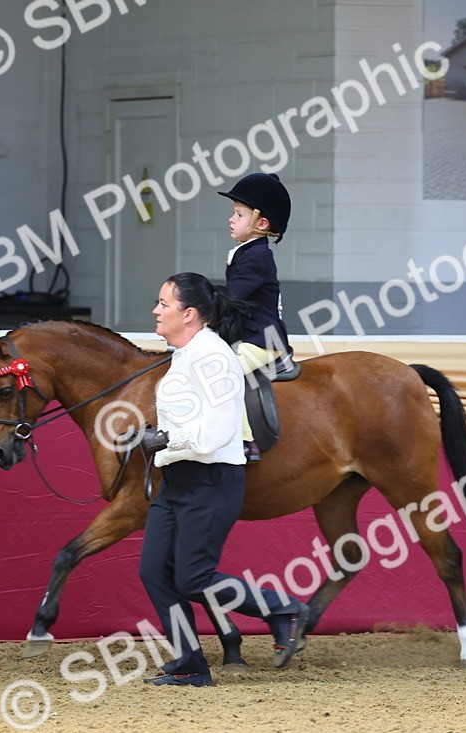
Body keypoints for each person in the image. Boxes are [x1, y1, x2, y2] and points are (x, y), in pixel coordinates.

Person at [136, 272, 310, 687]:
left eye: (164, 304)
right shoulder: (185, 354)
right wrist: (151, 436)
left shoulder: (213, 357)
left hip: (211, 480)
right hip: (177, 480)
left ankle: (282, 608)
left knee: (193, 578)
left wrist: (165, 438)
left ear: (189, 314)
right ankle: (190, 663)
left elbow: (216, 431)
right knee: (154, 572)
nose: (155, 310)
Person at [217, 172, 294, 461]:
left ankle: (245, 440)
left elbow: (232, 296)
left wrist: (198, 307)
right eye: (233, 212)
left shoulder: (257, 256)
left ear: (261, 224)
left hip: (262, 338)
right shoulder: (245, 251)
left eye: (239, 214)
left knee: (225, 371)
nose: (231, 219)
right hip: (249, 334)